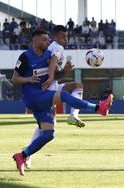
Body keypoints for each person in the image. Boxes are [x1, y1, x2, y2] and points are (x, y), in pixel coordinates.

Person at [11, 29, 113, 176]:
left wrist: (62, 71)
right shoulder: (25, 57)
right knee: (64, 96)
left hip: (43, 97)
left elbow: (53, 69)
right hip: (33, 96)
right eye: (44, 39)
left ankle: (22, 155)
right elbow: (15, 78)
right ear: (35, 40)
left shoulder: (48, 55)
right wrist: (28, 79)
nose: (47, 42)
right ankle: (98, 108)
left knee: (49, 134)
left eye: (47, 39)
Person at [24, 25, 87, 169]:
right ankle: (27, 154)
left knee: (77, 86)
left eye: (67, 36)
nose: (66, 39)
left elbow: (51, 72)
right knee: (46, 130)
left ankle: (28, 154)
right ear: (56, 37)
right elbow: (51, 70)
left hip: (49, 87)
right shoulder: (58, 48)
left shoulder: (51, 47)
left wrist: (63, 71)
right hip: (47, 91)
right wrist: (60, 72)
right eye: (62, 37)